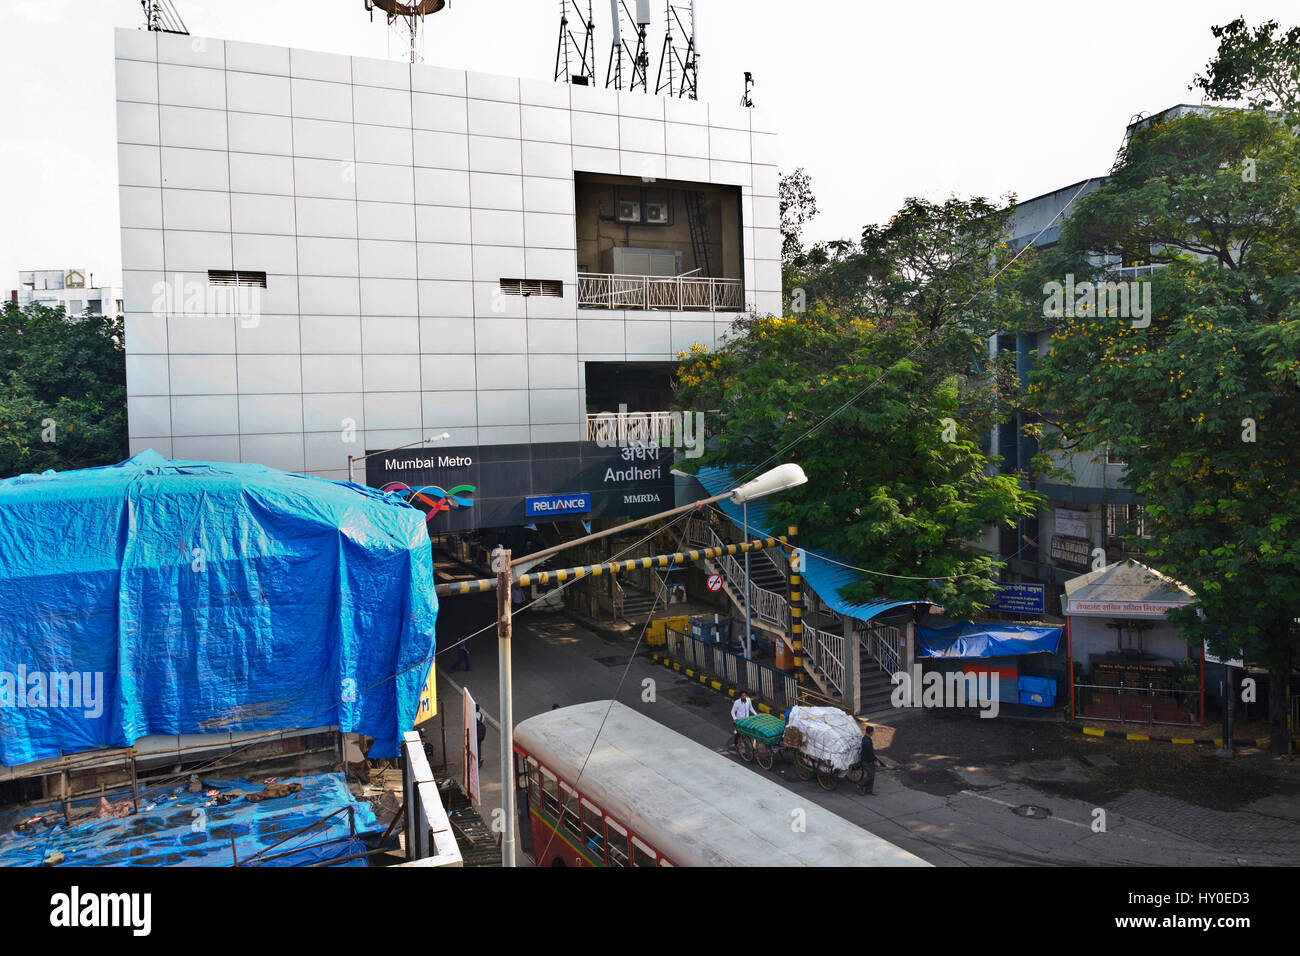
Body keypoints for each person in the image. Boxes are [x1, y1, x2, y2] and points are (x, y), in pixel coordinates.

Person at [856, 726, 885, 795]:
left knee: (872, 774)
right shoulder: (867, 741)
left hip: (868, 759)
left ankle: (869, 790)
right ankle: (860, 785)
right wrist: (876, 761)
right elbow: (870, 753)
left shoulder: (866, 739)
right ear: (871, 732)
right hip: (866, 761)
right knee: (871, 775)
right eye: (873, 732)